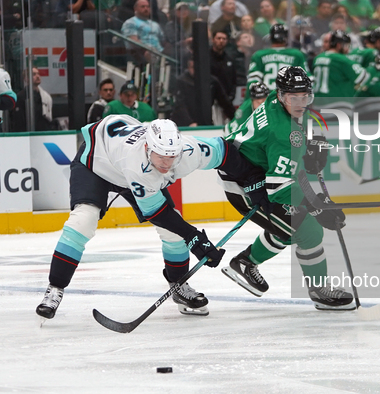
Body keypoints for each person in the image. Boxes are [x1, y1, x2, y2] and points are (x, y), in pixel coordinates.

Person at [35, 116, 264, 320]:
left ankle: (179, 285)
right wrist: (194, 237)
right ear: (147, 147)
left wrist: (252, 179)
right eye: (161, 156)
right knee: (83, 220)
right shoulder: (137, 164)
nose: (166, 163)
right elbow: (156, 212)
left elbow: (224, 152)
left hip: (124, 156)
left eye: (172, 156)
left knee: (174, 229)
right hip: (96, 162)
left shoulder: (189, 150)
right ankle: (55, 288)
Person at [219, 66, 355, 310]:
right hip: (247, 184)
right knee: (307, 229)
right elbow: (279, 188)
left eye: (305, 97)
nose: (301, 103)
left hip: (254, 170)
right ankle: (319, 290)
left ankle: (245, 263)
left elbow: (286, 163)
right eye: (294, 98)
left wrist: (306, 150)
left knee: (290, 226)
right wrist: (317, 208)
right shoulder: (283, 133)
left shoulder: (276, 100)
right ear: (281, 95)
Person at [246, 24, 311, 99]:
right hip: (288, 99)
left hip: (265, 99)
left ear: (270, 37)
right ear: (286, 38)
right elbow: (308, 79)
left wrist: (248, 101)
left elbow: (252, 81)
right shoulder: (296, 54)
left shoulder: (259, 55)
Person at [170, 59, 235, 126]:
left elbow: (225, 102)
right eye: (193, 67)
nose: (196, 70)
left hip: (205, 121)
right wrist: (190, 122)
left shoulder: (212, 81)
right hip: (185, 124)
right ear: (189, 68)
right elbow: (180, 105)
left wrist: (236, 119)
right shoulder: (182, 81)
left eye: (198, 67)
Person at [312, 30, 369, 98]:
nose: (347, 49)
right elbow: (363, 76)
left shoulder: (318, 58)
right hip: (337, 103)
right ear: (339, 45)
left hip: (318, 102)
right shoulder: (341, 59)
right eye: (346, 45)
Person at [11, 67, 56, 132]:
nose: (37, 76)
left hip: (43, 132)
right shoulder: (21, 96)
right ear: (26, 79)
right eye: (34, 74)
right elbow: (19, 121)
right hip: (27, 133)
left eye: (38, 74)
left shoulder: (45, 96)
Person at [121, 0, 165, 65]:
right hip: (141, 54)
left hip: (160, 53)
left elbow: (163, 41)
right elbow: (133, 42)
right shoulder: (130, 23)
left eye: (148, 7)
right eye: (143, 7)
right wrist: (148, 50)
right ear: (135, 8)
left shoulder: (155, 24)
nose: (146, 9)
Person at [210, 30, 238, 103]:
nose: (221, 41)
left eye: (224, 39)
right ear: (213, 40)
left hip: (226, 101)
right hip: (210, 100)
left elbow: (234, 80)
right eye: (218, 38)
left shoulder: (230, 59)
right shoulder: (206, 58)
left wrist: (231, 96)